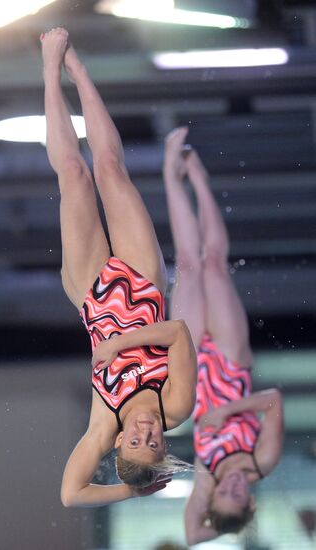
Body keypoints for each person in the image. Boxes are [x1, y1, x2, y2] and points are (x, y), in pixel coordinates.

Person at [40, 29, 197, 508]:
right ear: (166, 444)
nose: (146, 433)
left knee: (73, 174)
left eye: (136, 443)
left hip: (91, 292)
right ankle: (80, 72)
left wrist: (131, 490)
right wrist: (123, 342)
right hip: (142, 283)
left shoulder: (103, 423)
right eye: (155, 444)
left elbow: (70, 495)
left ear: (120, 443)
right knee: (108, 167)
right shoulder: (175, 406)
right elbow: (178, 334)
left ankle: (49, 70)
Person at [163, 128, 284, 543]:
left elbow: (193, 536)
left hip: (196, 366)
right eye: (240, 495)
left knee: (186, 264)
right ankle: (198, 179)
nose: (232, 486)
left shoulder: (205, 476)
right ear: (251, 501)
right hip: (232, 363)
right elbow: (273, 400)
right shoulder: (262, 459)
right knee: (213, 263)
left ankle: (169, 174)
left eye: (225, 495)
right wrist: (226, 413)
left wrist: (221, 527)